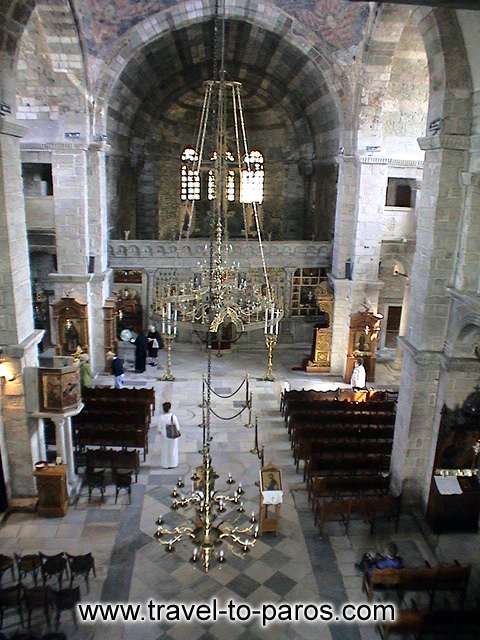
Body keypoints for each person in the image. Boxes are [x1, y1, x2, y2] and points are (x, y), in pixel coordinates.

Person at [158, 402, 181, 468]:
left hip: (164, 435)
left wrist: (161, 432)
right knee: (173, 449)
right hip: (173, 435)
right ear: (170, 408)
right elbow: (178, 427)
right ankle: (173, 464)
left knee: (165, 450)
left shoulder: (161, 417)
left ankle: (165, 465)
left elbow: (159, 429)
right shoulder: (173, 416)